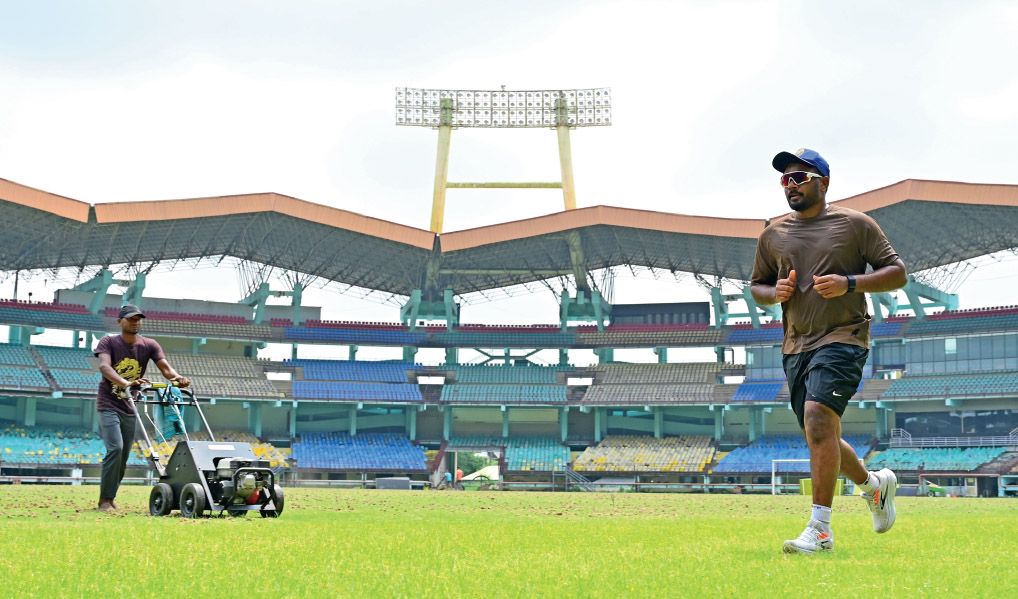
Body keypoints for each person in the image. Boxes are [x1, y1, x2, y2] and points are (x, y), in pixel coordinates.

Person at [750, 148, 908, 554]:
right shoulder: (772, 233)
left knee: (818, 418)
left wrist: (850, 284)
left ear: (824, 182)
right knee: (820, 434)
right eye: (785, 179)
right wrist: (775, 293)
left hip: (844, 336)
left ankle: (819, 529)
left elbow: (897, 273)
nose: (791, 185)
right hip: (795, 343)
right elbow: (757, 287)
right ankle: (874, 487)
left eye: (800, 177)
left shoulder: (856, 225)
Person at [94, 304, 190, 513]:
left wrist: (177, 378)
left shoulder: (149, 345)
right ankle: (104, 501)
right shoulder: (108, 342)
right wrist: (125, 382)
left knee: (123, 455)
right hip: (108, 403)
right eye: (130, 319)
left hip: (129, 406)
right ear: (120, 321)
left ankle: (110, 498)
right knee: (115, 449)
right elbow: (104, 366)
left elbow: (164, 367)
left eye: (138, 319)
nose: (135, 322)